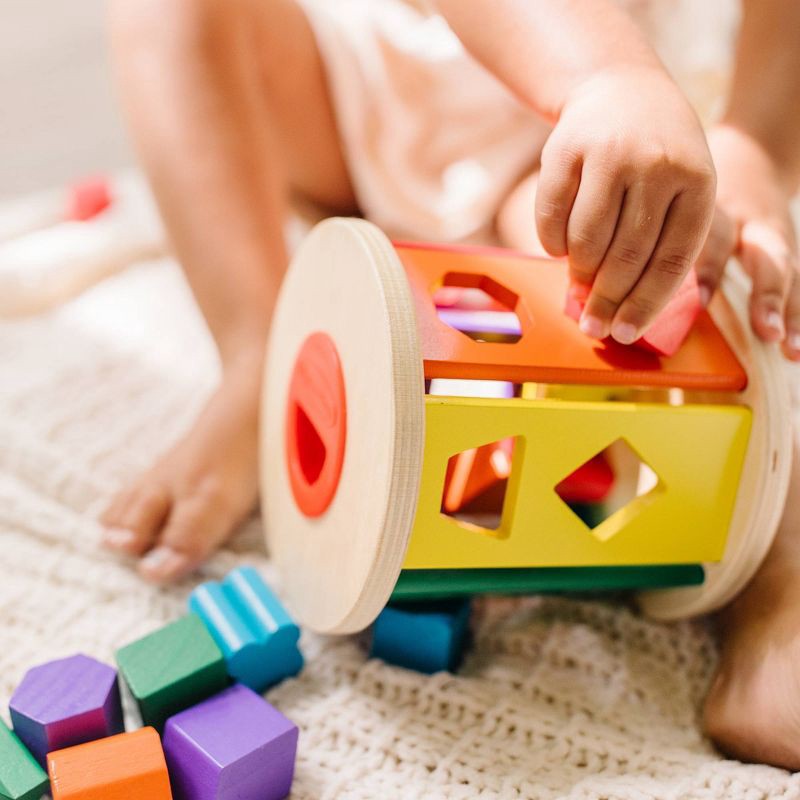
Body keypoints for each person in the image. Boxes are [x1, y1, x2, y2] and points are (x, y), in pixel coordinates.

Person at [102, 0, 800, 767]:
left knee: (708, 281)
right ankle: (255, 350)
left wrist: (755, 140)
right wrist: (606, 75)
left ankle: (781, 582)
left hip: (607, 137)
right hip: (371, 72)